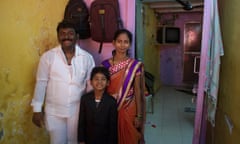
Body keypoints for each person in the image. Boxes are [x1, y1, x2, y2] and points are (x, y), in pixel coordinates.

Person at [31, 20, 95, 144]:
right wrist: (37, 110)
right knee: (56, 142)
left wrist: (91, 111)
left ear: (77, 36)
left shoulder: (87, 58)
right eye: (62, 33)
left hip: (77, 111)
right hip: (54, 111)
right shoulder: (48, 57)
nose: (66, 37)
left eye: (70, 33)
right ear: (58, 36)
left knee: (75, 141)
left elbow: (90, 86)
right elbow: (41, 83)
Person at [101, 29, 146, 144]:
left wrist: (139, 115)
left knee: (130, 138)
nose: (122, 45)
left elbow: (138, 91)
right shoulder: (105, 65)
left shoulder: (135, 65)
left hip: (129, 108)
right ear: (113, 43)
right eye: (119, 41)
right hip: (110, 109)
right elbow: (101, 90)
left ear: (130, 44)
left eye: (126, 42)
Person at [78, 66, 118, 144]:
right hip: (88, 140)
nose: (99, 82)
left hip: (105, 140)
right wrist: (81, 140)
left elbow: (113, 127)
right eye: (96, 79)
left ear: (108, 82)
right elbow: (81, 122)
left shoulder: (111, 102)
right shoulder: (85, 99)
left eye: (103, 79)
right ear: (91, 82)